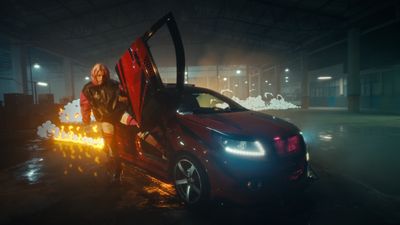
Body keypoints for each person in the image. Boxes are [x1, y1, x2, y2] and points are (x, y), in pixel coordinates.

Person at [80, 63, 137, 183]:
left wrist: (125, 101)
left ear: (106, 75)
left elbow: (126, 97)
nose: (100, 78)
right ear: (94, 75)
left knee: (138, 126)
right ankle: (117, 169)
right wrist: (86, 123)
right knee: (111, 145)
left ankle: (161, 151)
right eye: (98, 75)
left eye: (103, 75)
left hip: (119, 113)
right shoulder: (87, 89)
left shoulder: (115, 85)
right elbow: (85, 107)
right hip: (104, 118)